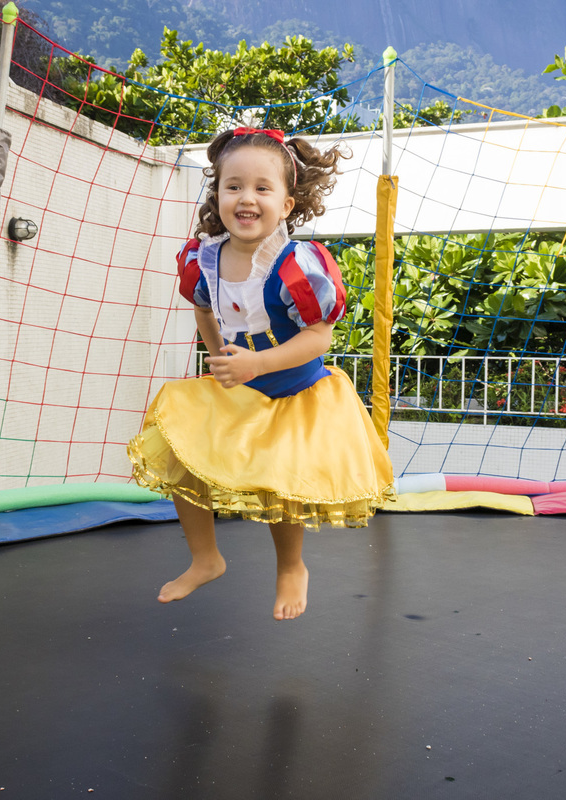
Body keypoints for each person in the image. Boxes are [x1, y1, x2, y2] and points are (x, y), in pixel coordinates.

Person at [127, 127, 395, 621]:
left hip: (296, 391)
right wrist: (221, 360)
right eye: (233, 186)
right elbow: (203, 309)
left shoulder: (297, 265)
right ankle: (205, 558)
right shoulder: (204, 259)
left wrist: (256, 363)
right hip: (242, 386)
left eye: (262, 188)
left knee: (280, 480)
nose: (246, 198)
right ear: (218, 196)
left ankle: (291, 566)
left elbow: (319, 337)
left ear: (287, 205)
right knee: (180, 449)